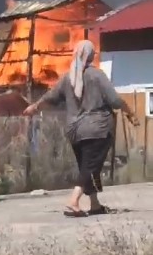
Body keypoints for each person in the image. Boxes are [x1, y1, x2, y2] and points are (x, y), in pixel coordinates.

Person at [24, 39, 139, 217]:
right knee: (90, 167)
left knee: (87, 166)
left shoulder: (67, 77)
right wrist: (130, 112)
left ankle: (94, 204)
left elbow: (50, 98)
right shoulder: (97, 75)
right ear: (91, 56)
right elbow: (115, 100)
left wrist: (34, 107)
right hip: (97, 129)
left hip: (75, 131)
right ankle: (73, 201)